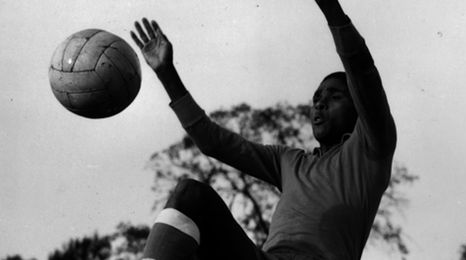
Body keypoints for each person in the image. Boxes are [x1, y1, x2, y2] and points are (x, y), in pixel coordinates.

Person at [130, 0, 396, 259]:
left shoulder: (370, 150)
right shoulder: (290, 161)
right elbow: (213, 142)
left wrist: (330, 8)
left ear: (358, 106)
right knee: (190, 194)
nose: (320, 103)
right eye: (316, 97)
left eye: (335, 96)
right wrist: (167, 74)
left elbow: (362, 72)